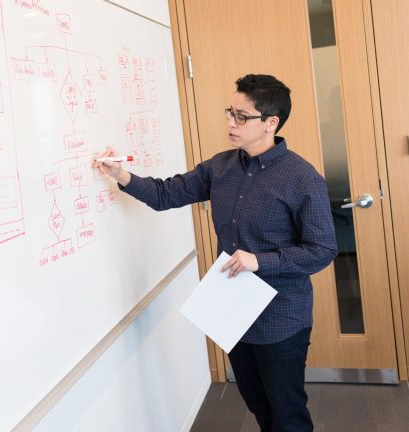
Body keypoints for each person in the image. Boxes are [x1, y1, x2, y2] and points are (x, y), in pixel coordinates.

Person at [94, 74, 337, 432]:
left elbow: (322, 250)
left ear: (270, 123)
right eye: (230, 113)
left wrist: (261, 261)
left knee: (287, 414)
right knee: (258, 405)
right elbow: (166, 195)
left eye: (241, 116)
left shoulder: (302, 178)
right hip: (233, 312)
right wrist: (121, 175)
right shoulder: (220, 167)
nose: (230, 123)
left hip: (281, 318)